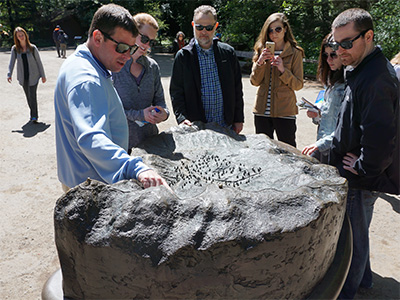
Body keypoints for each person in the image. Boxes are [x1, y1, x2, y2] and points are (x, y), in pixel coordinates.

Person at [54, 4, 168, 191]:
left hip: (84, 177)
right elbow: (90, 137)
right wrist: (135, 167)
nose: (127, 56)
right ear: (98, 37)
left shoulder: (87, 64)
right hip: (88, 187)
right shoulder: (86, 77)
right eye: (122, 47)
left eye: (131, 49)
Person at [329, 8, 399, 299]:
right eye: (336, 44)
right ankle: (366, 279)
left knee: (352, 242)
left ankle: (346, 293)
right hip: (359, 174)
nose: (340, 51)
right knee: (359, 232)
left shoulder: (376, 79)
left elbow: (382, 138)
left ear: (368, 36)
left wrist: (362, 166)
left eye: (347, 43)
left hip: (362, 180)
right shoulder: (362, 68)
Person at [170, 5, 244, 134]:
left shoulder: (228, 53)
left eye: (209, 27)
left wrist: (238, 118)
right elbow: (176, 92)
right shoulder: (183, 56)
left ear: (216, 26)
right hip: (197, 127)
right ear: (193, 25)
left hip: (225, 125)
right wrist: (182, 118)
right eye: (199, 27)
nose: (204, 32)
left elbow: (237, 88)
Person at [113, 13, 169, 153]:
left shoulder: (153, 67)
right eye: (144, 38)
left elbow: (161, 102)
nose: (147, 45)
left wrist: (164, 114)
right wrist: (140, 115)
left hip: (150, 144)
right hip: (121, 145)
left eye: (151, 41)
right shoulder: (114, 66)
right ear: (132, 32)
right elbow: (110, 112)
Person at [250, 13, 304, 148]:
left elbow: (298, 84)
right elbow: (254, 81)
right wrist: (260, 62)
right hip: (262, 111)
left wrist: (283, 70)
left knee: (288, 151)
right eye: (270, 30)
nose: (274, 33)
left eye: (278, 29)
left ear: (285, 29)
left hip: (285, 111)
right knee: (263, 150)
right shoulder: (261, 51)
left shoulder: (295, 52)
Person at [301, 33, 345, 163]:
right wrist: (317, 114)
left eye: (333, 55)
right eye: (326, 55)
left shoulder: (347, 85)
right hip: (325, 146)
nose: (329, 60)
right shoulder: (331, 82)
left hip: (336, 149)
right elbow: (330, 116)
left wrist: (320, 145)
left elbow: (347, 127)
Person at [7, 27, 46, 123]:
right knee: (28, 96)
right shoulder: (15, 49)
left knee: (32, 95)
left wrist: (43, 75)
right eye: (18, 36)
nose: (21, 37)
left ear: (25, 35)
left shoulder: (32, 48)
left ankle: (34, 116)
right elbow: (11, 62)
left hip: (34, 75)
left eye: (22, 34)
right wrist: (9, 74)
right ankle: (32, 113)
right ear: (16, 38)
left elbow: (39, 62)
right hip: (23, 76)